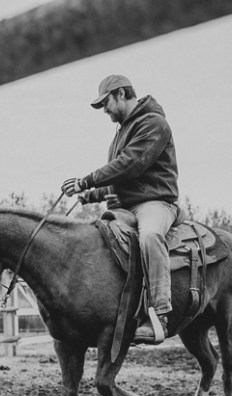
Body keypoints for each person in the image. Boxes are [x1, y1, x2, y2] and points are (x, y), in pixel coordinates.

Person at [61, 74, 180, 343]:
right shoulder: (122, 130)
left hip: (155, 203)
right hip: (126, 206)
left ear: (122, 94)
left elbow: (130, 165)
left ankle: (160, 314)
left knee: (150, 236)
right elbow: (120, 179)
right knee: (97, 237)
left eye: (106, 103)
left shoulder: (153, 124)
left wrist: (84, 181)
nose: (104, 110)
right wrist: (88, 196)